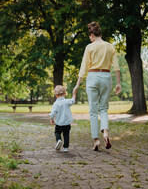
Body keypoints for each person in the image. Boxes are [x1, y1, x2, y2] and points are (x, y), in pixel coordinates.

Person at [73, 21, 121, 151]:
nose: (90, 39)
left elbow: (84, 67)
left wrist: (77, 85)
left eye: (90, 36)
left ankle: (96, 140)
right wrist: (118, 83)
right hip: (106, 77)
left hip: (93, 77)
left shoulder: (90, 47)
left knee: (93, 111)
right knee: (104, 109)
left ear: (92, 35)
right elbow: (116, 67)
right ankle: (105, 131)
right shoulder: (110, 47)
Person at [49, 85, 77, 152]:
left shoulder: (56, 103)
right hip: (67, 123)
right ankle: (65, 148)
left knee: (57, 132)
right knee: (66, 135)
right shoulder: (67, 101)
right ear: (65, 93)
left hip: (59, 123)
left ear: (56, 95)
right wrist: (74, 93)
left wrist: (51, 119)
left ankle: (59, 140)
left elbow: (53, 113)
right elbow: (73, 101)